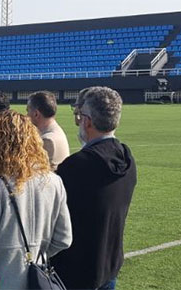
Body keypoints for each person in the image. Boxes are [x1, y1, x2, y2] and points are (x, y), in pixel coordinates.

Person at [0, 110, 73, 290]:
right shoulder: (54, 181)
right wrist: (34, 255)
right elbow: (64, 238)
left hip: (2, 281)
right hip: (38, 279)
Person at [50, 87, 137, 290]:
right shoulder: (127, 158)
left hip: (74, 272)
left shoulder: (76, 166)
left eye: (79, 117)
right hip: (109, 265)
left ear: (87, 121)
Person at [26, 91, 71, 170]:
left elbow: (30, 172)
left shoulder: (47, 140)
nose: (27, 115)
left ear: (36, 114)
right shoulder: (55, 131)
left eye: (28, 111)